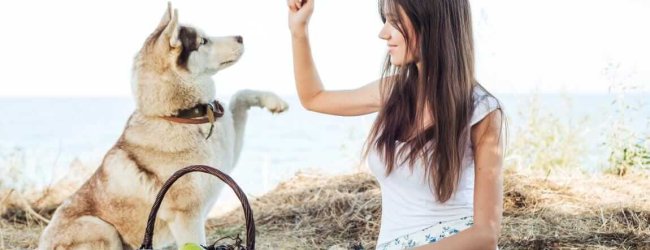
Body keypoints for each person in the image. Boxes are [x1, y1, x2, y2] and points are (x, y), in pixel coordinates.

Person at [287, 0, 504, 249]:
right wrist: (299, 30)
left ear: (431, 23)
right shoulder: (394, 92)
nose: (384, 33)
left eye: (396, 21)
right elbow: (314, 98)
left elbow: (486, 235)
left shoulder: (481, 111)